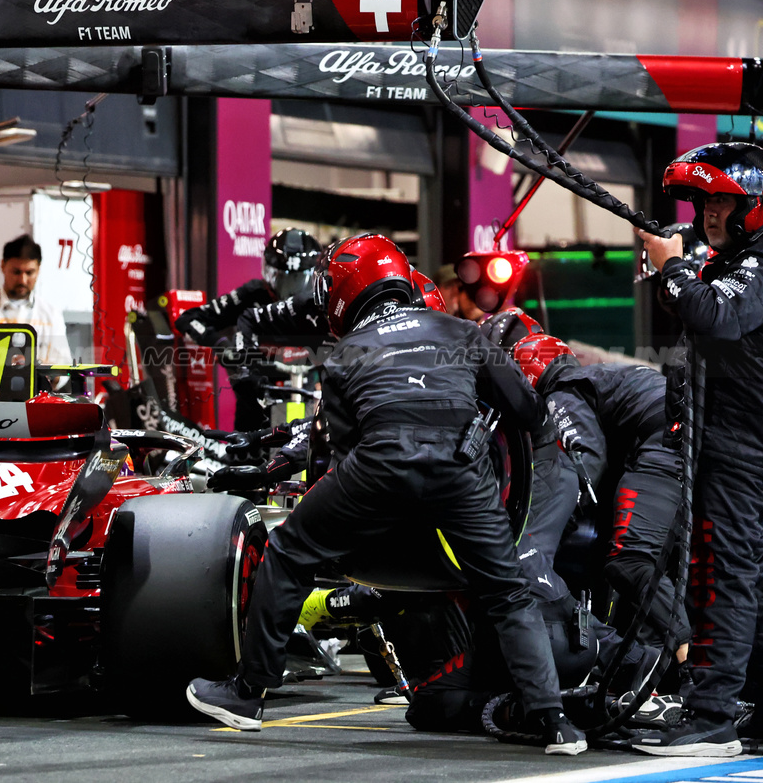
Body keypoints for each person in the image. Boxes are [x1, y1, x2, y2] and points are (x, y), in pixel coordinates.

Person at [185, 233, 586, 754]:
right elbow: (527, 413)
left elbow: (339, 449)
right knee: (508, 592)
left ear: (346, 288)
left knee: (288, 552)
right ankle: (555, 724)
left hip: (378, 465)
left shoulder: (344, 353)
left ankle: (247, 694)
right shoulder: (464, 331)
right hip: (462, 471)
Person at [630, 142, 763, 757]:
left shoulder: (756, 265)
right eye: (705, 201)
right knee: (743, 578)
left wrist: (676, 269)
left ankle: (712, 715)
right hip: (729, 441)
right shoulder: (730, 259)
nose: (709, 213)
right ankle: (745, 707)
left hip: (742, 449)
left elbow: (717, 317)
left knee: (725, 578)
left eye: (722, 201)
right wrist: (675, 269)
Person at [511, 333, 691, 660]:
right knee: (674, 567)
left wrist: (559, 519)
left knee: (630, 562)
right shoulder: (600, 376)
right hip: (692, 440)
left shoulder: (561, 391)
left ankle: (694, 675)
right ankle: (672, 674)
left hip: (665, 442)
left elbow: (587, 462)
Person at [175, 228, 322, 430]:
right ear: (269, 273)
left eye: (297, 279)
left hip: (307, 401)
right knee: (247, 452)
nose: (289, 291)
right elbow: (188, 319)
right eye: (282, 278)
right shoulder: (253, 293)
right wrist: (222, 346)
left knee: (303, 450)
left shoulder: (319, 302)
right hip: (255, 405)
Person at [0, 235, 71, 370]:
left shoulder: (51, 314)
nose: (22, 280)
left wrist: (45, 372)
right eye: (16, 272)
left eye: (29, 272)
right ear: (2, 266)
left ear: (39, 269)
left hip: (39, 390)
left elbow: (63, 368)